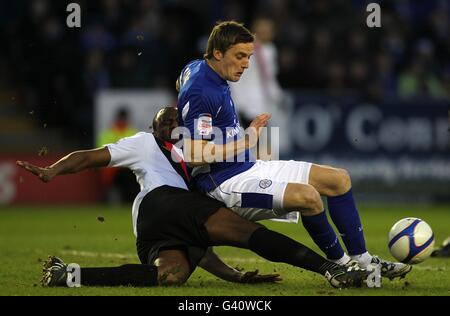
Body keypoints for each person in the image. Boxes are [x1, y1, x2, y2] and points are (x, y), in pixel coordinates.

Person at [17, 106, 371, 289]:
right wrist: (53, 171)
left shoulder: (192, 162)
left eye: (176, 118)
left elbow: (200, 243)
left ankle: (70, 275)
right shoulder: (143, 144)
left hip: (158, 229)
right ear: (154, 126)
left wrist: (234, 277)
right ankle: (330, 269)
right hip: (160, 203)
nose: (172, 120)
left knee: (170, 276)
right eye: (165, 118)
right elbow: (91, 156)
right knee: (242, 231)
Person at [176, 21, 412, 280]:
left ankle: (363, 260)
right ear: (218, 53)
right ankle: (343, 266)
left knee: (338, 179)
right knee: (308, 197)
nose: (246, 64)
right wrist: (244, 141)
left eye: (249, 57)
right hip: (223, 183)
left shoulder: (197, 68)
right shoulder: (201, 90)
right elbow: (194, 154)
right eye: (240, 56)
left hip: (248, 166)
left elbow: (181, 84)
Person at [97, 107, 139, 203]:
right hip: (114, 168)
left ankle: (128, 200)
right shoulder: (129, 133)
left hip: (126, 167)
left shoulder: (130, 132)